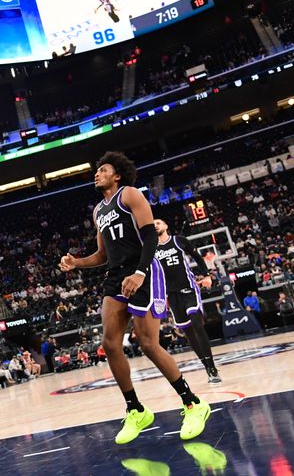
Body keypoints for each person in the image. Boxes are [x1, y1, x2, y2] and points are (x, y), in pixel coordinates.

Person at [59, 152, 210, 445]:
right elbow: (102, 256)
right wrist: (77, 262)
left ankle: (193, 403)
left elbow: (150, 236)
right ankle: (135, 409)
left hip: (144, 270)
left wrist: (140, 272)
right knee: (110, 343)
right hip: (116, 275)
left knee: (148, 344)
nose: (96, 174)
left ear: (117, 175)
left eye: (102, 170)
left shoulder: (129, 195)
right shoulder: (98, 211)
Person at [153, 219, 221, 383]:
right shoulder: (151, 249)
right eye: (153, 223)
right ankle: (206, 366)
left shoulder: (179, 241)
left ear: (166, 225)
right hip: (171, 295)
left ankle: (212, 366)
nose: (155, 225)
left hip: (189, 289)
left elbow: (197, 257)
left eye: (158, 223)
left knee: (197, 324)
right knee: (189, 333)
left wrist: (206, 275)